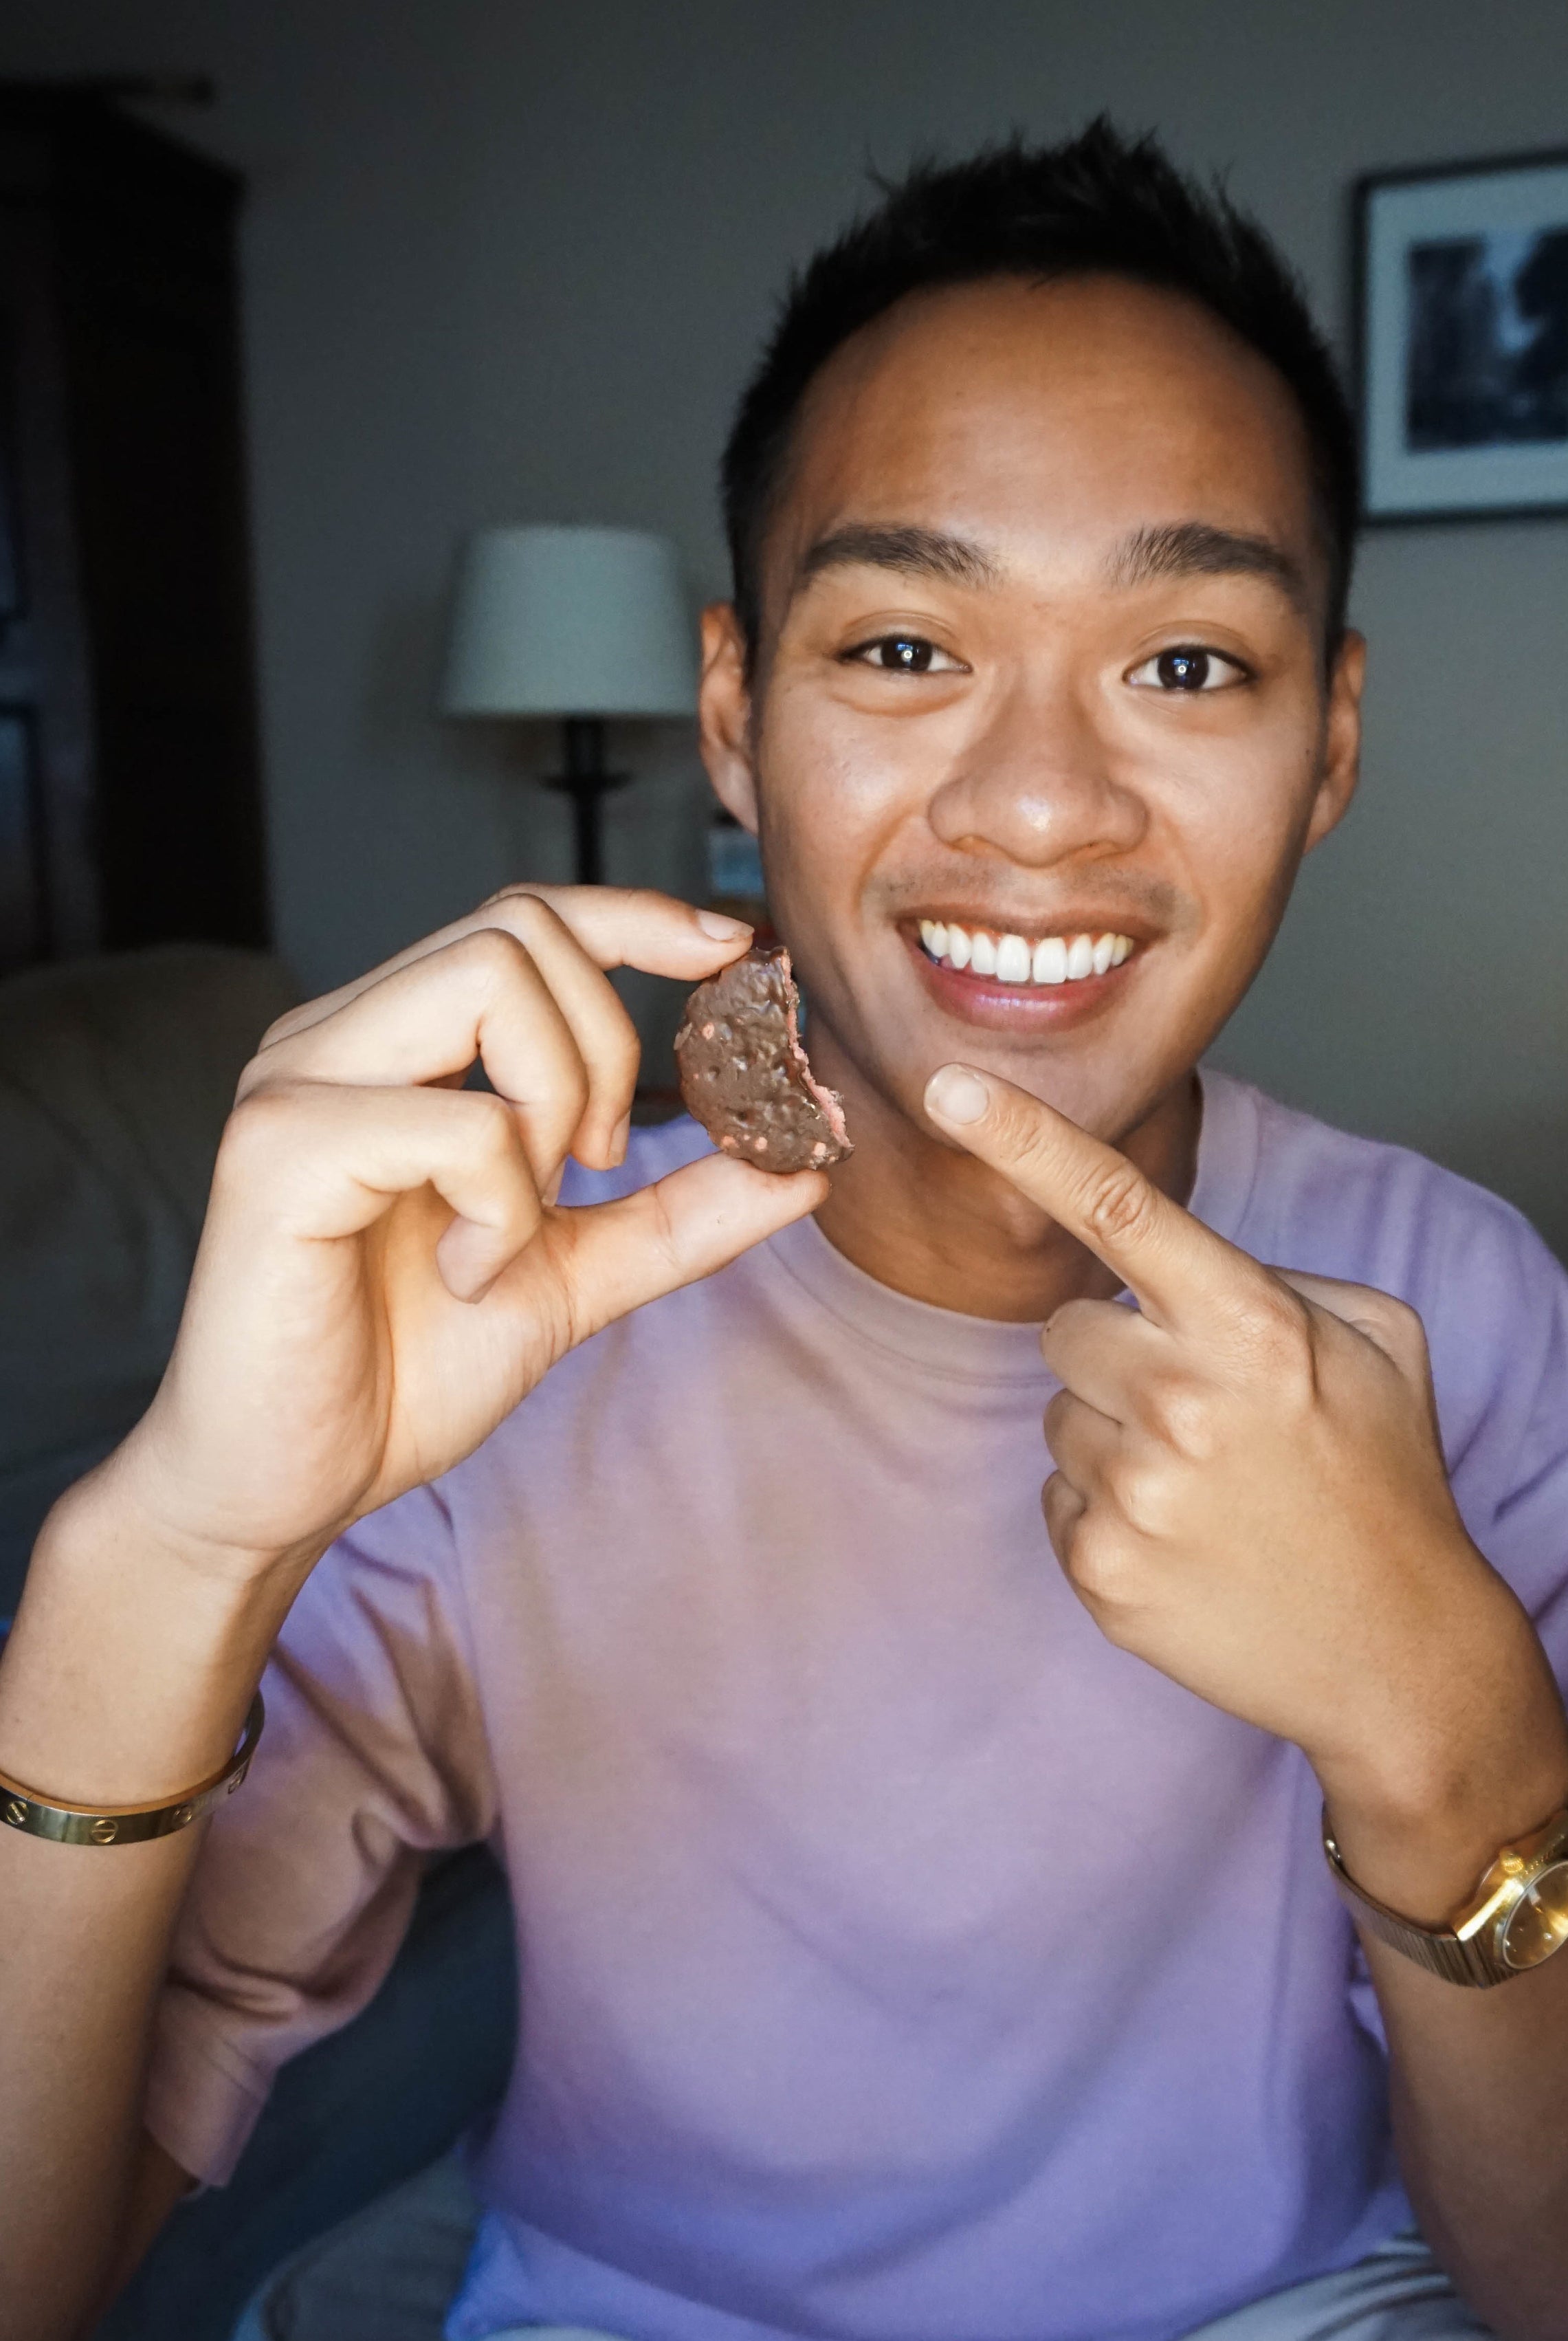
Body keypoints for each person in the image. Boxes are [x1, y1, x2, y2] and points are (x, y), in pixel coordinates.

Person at [4, 120, 1568, 2341]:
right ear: (735, 716)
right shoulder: (495, 1321)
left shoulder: (1468, 1307)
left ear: (1328, 740)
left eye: (1189, 664)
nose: (1037, 806)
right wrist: (161, 1546)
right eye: (909, 644)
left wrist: (1448, 1749)